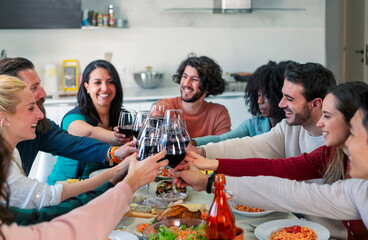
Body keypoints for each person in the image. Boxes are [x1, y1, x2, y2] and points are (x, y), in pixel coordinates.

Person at [172, 85, 368, 239]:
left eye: (355, 135)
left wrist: (210, 177)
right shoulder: (352, 181)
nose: (319, 123)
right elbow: (281, 182)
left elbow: (290, 190)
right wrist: (209, 177)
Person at [0, 121, 168, 240]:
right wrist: (125, 183)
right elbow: (48, 215)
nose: (38, 112)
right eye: (30, 107)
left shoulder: (14, 150)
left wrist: (117, 176)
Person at [0, 75, 131, 211]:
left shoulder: (11, 150)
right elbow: (47, 197)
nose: (40, 115)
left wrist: (116, 159)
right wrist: (117, 171)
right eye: (31, 108)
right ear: (4, 118)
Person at [0, 57, 136, 177]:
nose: (43, 93)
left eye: (40, 85)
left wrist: (115, 152)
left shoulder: (39, 127)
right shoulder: (74, 116)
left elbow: (75, 144)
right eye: (34, 88)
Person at [48, 60, 131, 184]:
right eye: (97, 82)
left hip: (107, 184)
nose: (105, 88)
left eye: (110, 82)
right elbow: (89, 133)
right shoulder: (72, 118)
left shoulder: (123, 117)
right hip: (67, 186)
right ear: (87, 86)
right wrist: (119, 137)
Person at [191, 60, 286, 146]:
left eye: (266, 96)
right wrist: (192, 142)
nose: (259, 101)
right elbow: (222, 139)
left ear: (280, 95)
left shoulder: (295, 126)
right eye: (258, 95)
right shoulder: (252, 125)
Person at [157, 53, 231, 138]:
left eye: (194, 79)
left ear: (208, 87)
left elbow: (223, 147)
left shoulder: (218, 113)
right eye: (185, 77)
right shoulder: (166, 106)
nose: (186, 83)